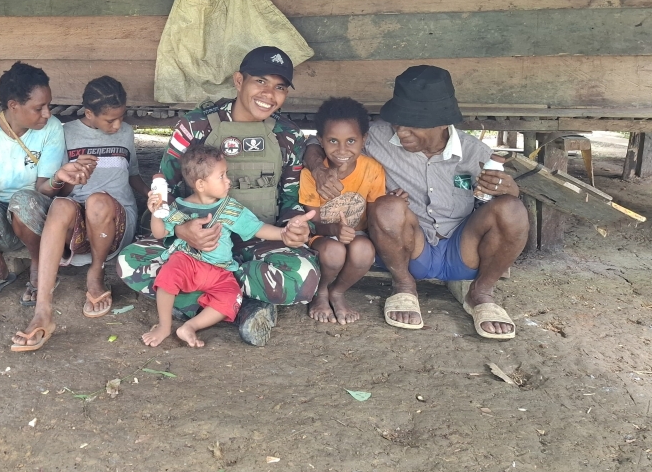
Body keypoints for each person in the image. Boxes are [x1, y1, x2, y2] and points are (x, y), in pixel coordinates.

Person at [303, 65, 529, 340]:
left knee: (512, 208)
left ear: (443, 123)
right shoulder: (377, 137)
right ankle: (404, 287)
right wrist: (318, 168)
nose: (401, 131)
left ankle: (481, 292)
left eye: (412, 124)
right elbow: (318, 139)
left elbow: (500, 215)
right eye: (398, 122)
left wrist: (510, 192)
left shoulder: (475, 153)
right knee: (387, 205)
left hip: (464, 250)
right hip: (410, 250)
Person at [116, 46, 318, 347]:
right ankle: (243, 303)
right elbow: (165, 187)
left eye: (279, 87)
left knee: (304, 277)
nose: (269, 94)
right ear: (239, 81)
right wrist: (181, 230)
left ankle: (205, 301)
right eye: (260, 81)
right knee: (129, 262)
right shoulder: (197, 125)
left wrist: (294, 230)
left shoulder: (287, 135)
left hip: (259, 243)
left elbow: (291, 200)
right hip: (195, 249)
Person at [11, 76, 149, 352]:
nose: (117, 125)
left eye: (121, 117)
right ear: (89, 113)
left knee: (98, 202)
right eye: (110, 120)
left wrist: (153, 195)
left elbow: (132, 174)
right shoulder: (66, 133)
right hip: (79, 227)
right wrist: (74, 178)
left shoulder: (126, 133)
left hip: (116, 223)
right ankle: (42, 311)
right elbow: (60, 190)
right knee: (61, 206)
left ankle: (95, 274)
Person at [142, 145, 313, 348]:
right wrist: (156, 213)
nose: (228, 181)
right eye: (221, 176)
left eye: (226, 174)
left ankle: (190, 326)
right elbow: (159, 233)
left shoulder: (229, 208)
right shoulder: (179, 207)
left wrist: (284, 233)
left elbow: (257, 228)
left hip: (220, 270)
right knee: (167, 276)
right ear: (201, 184)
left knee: (231, 296)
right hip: (187, 261)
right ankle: (164, 326)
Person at [0, 62, 94, 305]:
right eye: (39, 108)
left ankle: (39, 265)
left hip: (33, 216)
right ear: (13, 106)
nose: (47, 113)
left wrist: (58, 178)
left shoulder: (51, 128)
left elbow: (43, 190)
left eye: (48, 105)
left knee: (22, 201)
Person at [300, 97, 391, 325]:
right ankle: (321, 291)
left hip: (356, 234)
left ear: (364, 140)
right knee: (334, 252)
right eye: (333, 140)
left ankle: (338, 291)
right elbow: (314, 222)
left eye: (351, 140)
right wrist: (335, 230)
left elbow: (374, 215)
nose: (342, 150)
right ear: (320, 140)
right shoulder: (310, 174)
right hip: (322, 236)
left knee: (364, 251)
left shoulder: (372, 170)